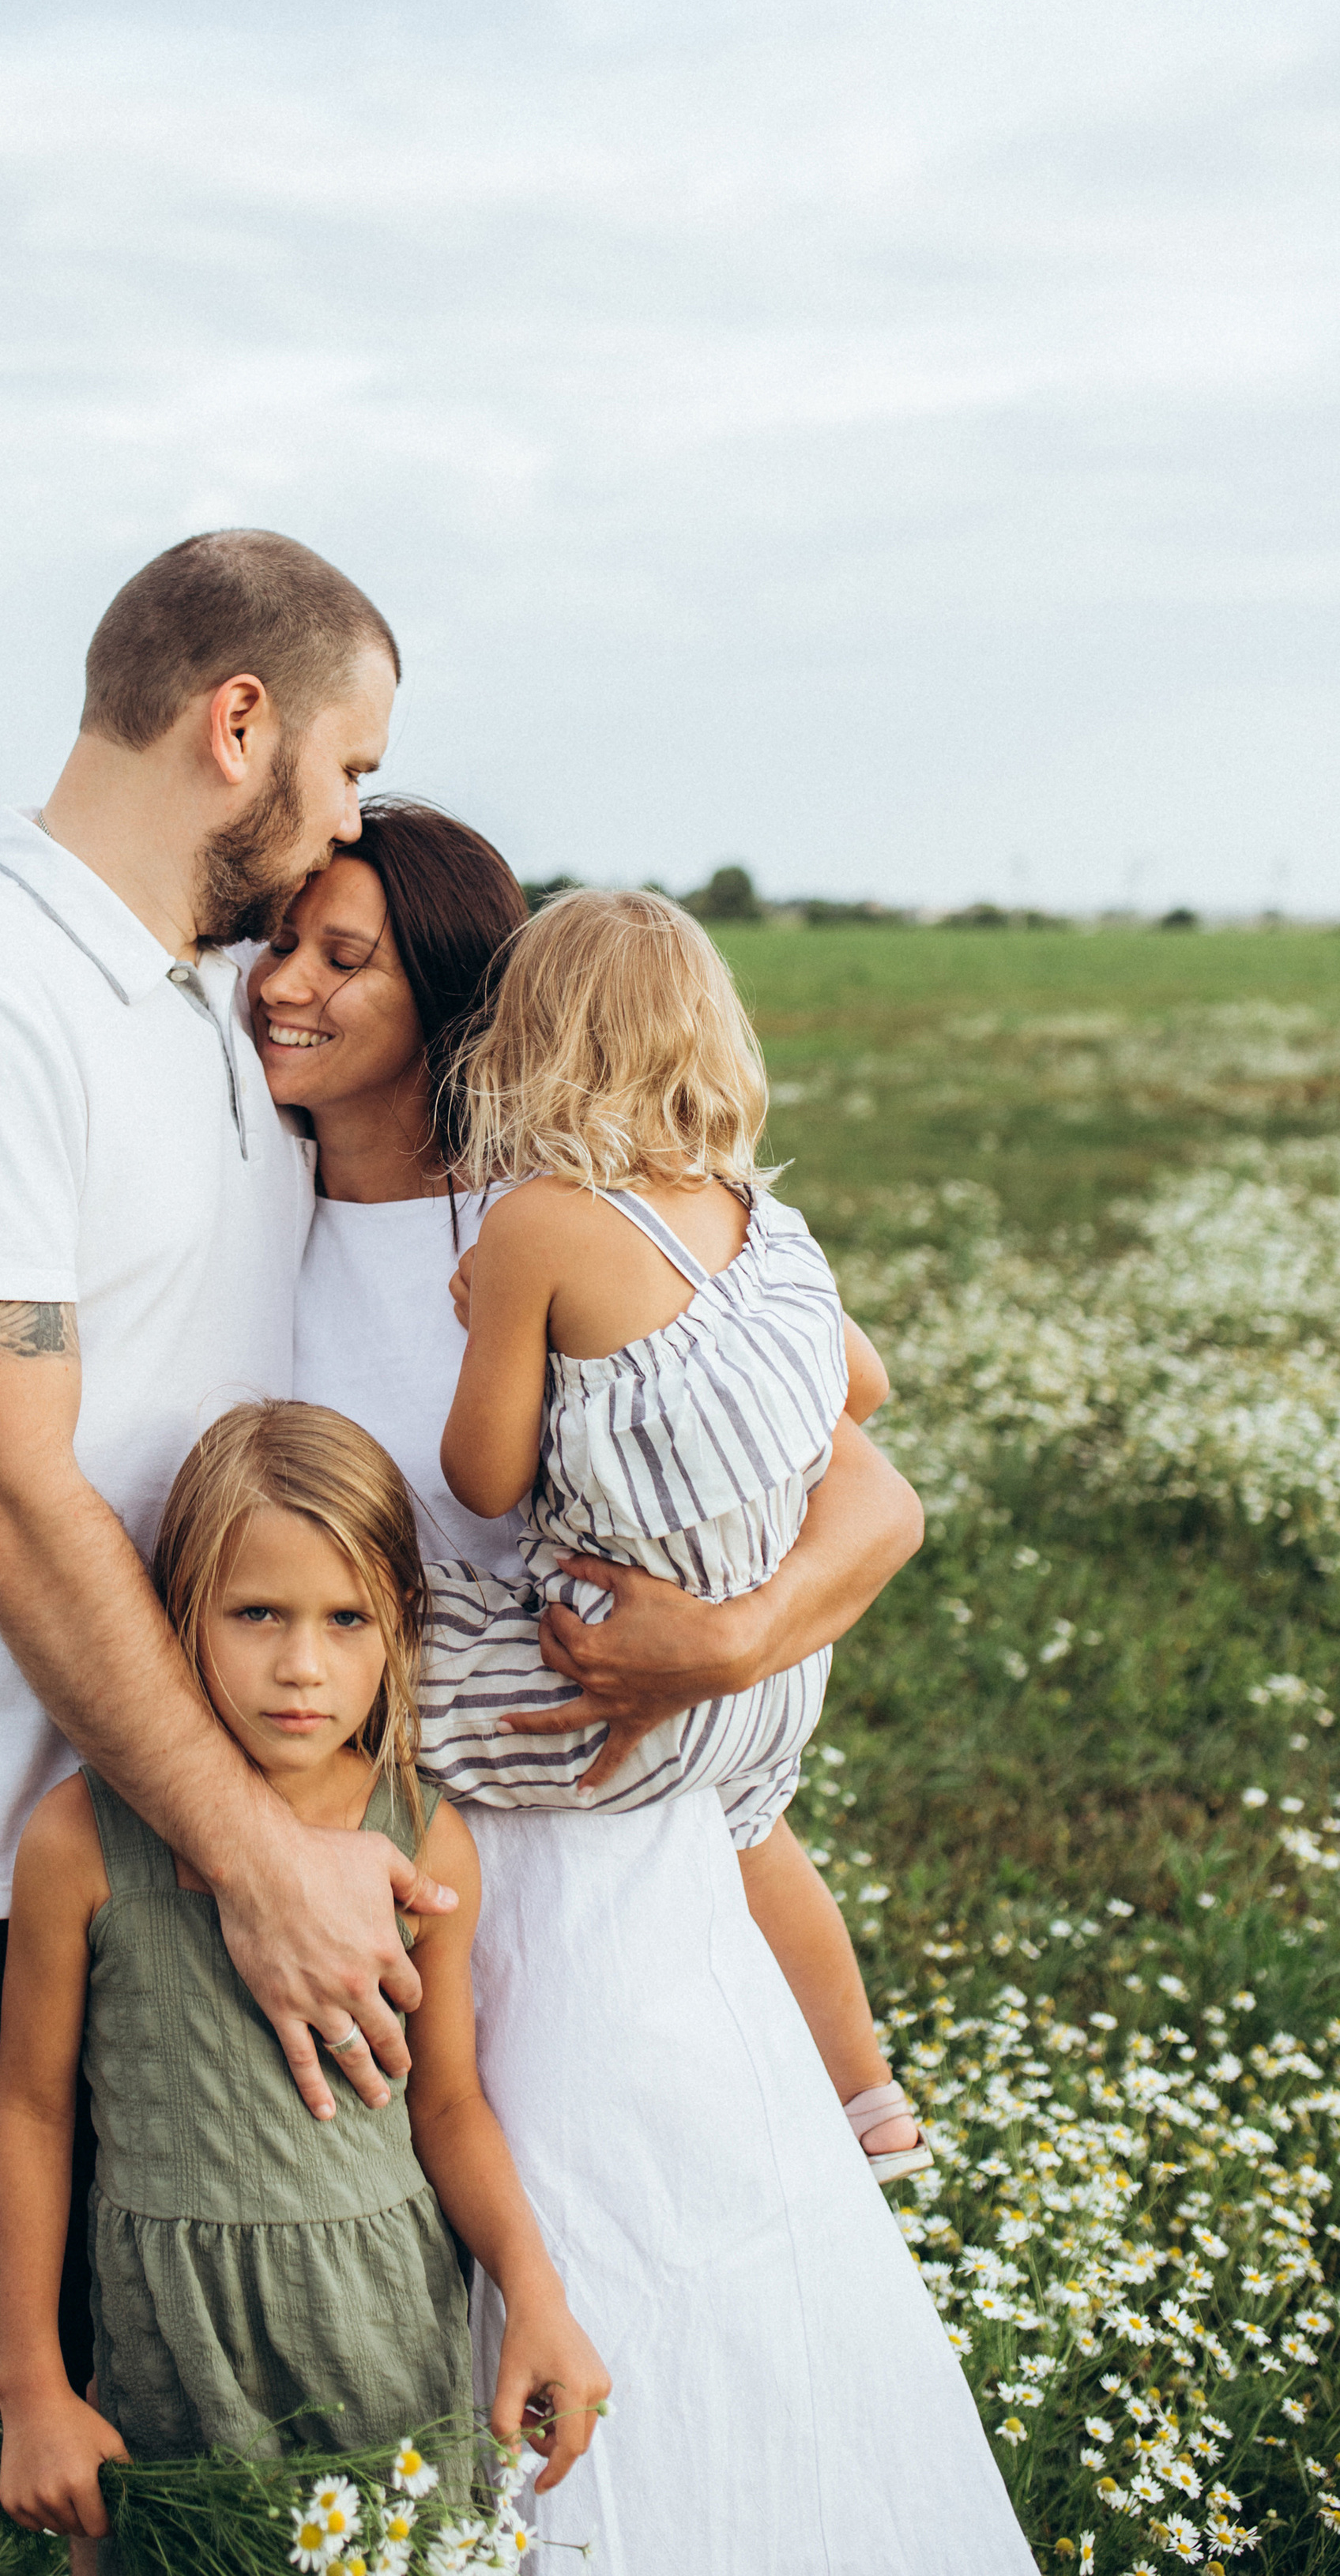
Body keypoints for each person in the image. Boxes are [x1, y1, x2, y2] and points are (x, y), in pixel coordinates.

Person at [252, 804, 1037, 2574]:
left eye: (343, 958)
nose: (284, 991)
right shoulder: (240, 1230)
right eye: (275, 951)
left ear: (463, 1007)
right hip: (372, 1868)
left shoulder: (564, 1222)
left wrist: (730, 1641)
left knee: (647, 2265)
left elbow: (868, 1472)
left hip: (602, 1858)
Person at [0, 533, 457, 2576]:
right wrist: (261, 1865)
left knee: (133, 2463)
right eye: (346, 765)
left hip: (196, 1844)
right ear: (235, 724)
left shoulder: (195, 1004)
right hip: (1, 1867)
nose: (350, 817)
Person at [0, 1402, 607, 2560]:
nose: (302, 1666)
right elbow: (30, 2107)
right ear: (180, 1617)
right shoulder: (81, 1840)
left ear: (400, 1631)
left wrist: (535, 2292)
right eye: (256, 1613)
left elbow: (451, 2103)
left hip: (377, 2338)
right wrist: (33, 2389)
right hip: (172, 2347)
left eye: (347, 1620)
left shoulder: (421, 1836)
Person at [431, 884, 933, 2183]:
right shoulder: (762, 1223)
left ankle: (441, 2075)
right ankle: (867, 2096)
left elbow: (482, 1480)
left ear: (525, 1046)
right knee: (760, 1838)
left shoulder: (535, 1224)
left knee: (361, 1681)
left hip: (607, 1680)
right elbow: (859, 1388)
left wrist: (489, 1317)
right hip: (771, 1684)